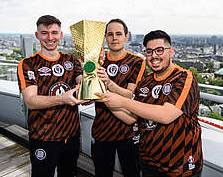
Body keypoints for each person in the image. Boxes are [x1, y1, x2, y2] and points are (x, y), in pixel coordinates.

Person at [96, 30, 203, 177]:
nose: (154, 56)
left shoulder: (184, 77)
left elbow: (166, 115)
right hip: (148, 162)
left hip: (180, 165)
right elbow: (131, 118)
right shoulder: (145, 82)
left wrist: (121, 101)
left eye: (159, 50)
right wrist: (104, 97)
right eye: (149, 51)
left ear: (171, 52)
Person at [17, 15, 86, 177]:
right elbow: (31, 101)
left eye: (54, 33)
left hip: (71, 136)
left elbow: (83, 85)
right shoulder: (28, 63)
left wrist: (88, 90)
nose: (50, 38)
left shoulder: (72, 60)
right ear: (37, 35)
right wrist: (62, 98)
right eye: (44, 33)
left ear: (61, 35)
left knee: (68, 174)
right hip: (43, 137)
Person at [91, 19, 145, 177]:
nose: (114, 38)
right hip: (102, 131)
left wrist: (109, 83)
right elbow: (89, 91)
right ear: (105, 38)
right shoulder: (96, 60)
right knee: (102, 173)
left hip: (128, 132)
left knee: (132, 173)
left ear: (126, 36)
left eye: (119, 34)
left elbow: (131, 95)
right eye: (110, 34)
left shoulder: (137, 61)